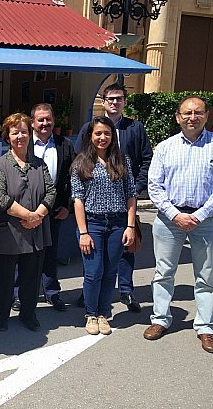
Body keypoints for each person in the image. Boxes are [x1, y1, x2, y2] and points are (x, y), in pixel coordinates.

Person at [145, 95, 213, 354]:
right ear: (178, 117)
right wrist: (175, 215)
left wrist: (200, 215)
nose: (191, 117)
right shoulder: (165, 147)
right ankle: (160, 319)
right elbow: (154, 186)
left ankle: (206, 327)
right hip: (169, 219)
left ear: (206, 116)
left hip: (205, 220)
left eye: (197, 112)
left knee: (206, 275)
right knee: (163, 272)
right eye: (186, 113)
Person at [76, 83, 152, 312]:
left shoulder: (135, 128)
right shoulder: (88, 129)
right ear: (104, 101)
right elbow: (80, 158)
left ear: (125, 101)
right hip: (95, 215)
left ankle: (126, 291)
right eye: (111, 98)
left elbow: (146, 159)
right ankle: (92, 300)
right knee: (95, 266)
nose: (115, 102)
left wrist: (135, 189)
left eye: (119, 98)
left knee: (124, 252)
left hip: (124, 205)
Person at [0, 113, 56, 332]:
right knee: (4, 279)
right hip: (8, 232)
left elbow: (51, 191)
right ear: (8, 137)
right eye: (15, 132)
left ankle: (28, 314)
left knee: (31, 277)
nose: (20, 136)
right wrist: (28, 216)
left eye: (24, 132)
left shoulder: (39, 164)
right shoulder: (0, 165)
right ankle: (1, 316)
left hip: (35, 231)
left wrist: (39, 215)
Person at [71, 116, 137, 335]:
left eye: (107, 133)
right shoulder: (81, 163)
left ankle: (102, 313)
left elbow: (131, 195)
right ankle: (90, 314)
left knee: (110, 272)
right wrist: (83, 232)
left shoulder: (122, 160)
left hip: (118, 224)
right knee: (93, 272)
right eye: (98, 133)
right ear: (90, 136)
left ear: (113, 136)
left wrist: (130, 226)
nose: (102, 137)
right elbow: (78, 199)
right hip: (92, 224)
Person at [27, 103, 75, 311]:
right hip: (28, 210)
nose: (45, 123)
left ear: (54, 121)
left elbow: (73, 178)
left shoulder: (64, 145)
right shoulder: (24, 143)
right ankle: (22, 293)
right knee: (26, 252)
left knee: (50, 252)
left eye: (48, 119)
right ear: (32, 123)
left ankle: (52, 292)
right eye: (40, 120)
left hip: (55, 210)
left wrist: (68, 206)